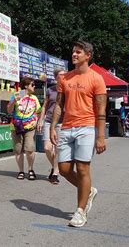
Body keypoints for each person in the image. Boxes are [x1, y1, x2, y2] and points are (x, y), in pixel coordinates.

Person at [50, 41, 107, 228]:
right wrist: (53, 127)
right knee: (64, 169)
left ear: (87, 55)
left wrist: (100, 137)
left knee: (83, 169)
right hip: (67, 128)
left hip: (86, 128)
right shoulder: (65, 78)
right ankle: (89, 191)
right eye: (73, 52)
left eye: (78, 52)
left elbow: (101, 109)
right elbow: (58, 104)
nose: (74, 55)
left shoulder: (96, 78)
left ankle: (80, 212)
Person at [7, 77, 41, 181]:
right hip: (16, 126)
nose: (34, 86)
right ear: (26, 86)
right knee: (18, 149)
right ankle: (21, 171)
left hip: (30, 127)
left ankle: (31, 170)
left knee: (30, 148)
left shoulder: (34, 98)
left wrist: (38, 121)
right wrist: (13, 102)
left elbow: (38, 111)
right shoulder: (16, 95)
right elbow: (9, 110)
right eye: (32, 84)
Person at [37, 68, 66, 185]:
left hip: (61, 122)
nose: (63, 77)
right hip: (49, 121)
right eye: (60, 75)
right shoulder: (50, 90)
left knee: (58, 148)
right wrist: (40, 120)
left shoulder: (68, 90)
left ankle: (55, 173)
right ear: (55, 78)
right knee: (47, 148)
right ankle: (55, 167)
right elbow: (44, 106)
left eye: (65, 75)